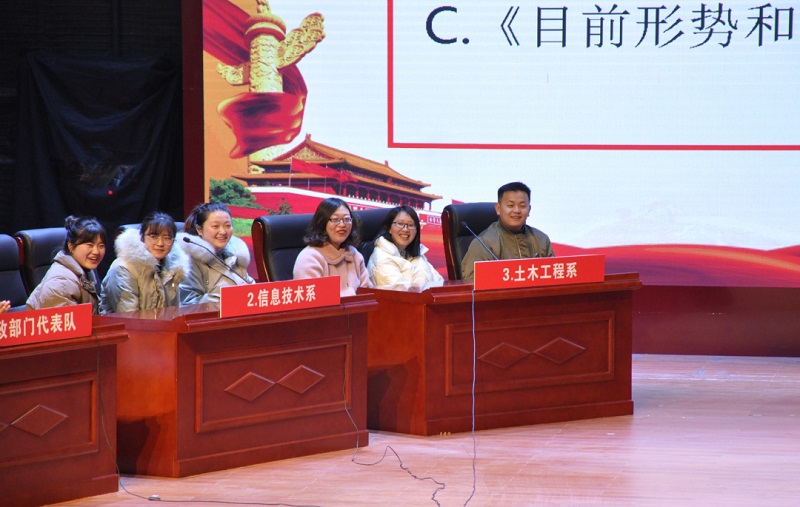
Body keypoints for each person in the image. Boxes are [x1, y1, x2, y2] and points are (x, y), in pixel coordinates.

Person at [461, 181, 554, 281]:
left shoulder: (541, 240)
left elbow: (555, 275)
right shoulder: (484, 243)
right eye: (510, 205)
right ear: (498, 208)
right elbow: (472, 282)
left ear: (529, 210)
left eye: (522, 206)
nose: (517, 210)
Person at [100, 211, 189, 314]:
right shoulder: (123, 269)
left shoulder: (174, 268)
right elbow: (128, 316)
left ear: (173, 241)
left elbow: (175, 312)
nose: (160, 243)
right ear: (142, 238)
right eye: (153, 236)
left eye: (167, 238)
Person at [26, 215, 107, 314]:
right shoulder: (61, 283)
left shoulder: (84, 273)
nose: (96, 252)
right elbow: (64, 322)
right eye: (89, 245)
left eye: (101, 246)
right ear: (71, 246)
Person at [179, 202, 255, 305]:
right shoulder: (189, 259)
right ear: (199, 229)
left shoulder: (236, 254)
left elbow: (251, 287)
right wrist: (233, 298)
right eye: (215, 226)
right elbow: (188, 303)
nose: (223, 232)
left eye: (227, 226)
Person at [293, 197, 371, 296]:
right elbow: (311, 298)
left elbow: (368, 294)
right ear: (322, 223)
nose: (342, 224)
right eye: (335, 219)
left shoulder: (354, 254)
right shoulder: (309, 258)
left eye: (347, 219)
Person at [367, 206, 444, 289]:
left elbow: (440, 284)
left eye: (411, 225)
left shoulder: (418, 255)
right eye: (400, 224)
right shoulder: (381, 258)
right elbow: (401, 293)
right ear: (389, 229)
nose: (405, 229)